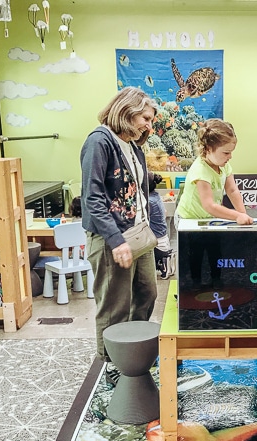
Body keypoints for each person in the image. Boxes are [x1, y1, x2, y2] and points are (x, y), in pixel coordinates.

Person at [80, 86, 157, 384]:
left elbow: (137, 192)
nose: (148, 126)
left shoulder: (132, 145)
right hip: (111, 238)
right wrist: (116, 240)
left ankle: (131, 352)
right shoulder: (100, 142)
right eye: (145, 118)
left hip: (138, 235)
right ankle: (110, 365)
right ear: (126, 110)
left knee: (147, 293)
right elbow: (93, 197)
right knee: (114, 305)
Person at [176, 118, 253, 289]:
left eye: (231, 152)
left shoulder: (224, 165)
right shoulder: (200, 171)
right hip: (190, 219)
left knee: (214, 250)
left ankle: (216, 281)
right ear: (208, 149)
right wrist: (236, 216)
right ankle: (191, 286)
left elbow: (232, 191)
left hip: (211, 219)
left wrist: (243, 214)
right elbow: (209, 205)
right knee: (194, 254)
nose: (230, 156)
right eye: (226, 153)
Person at [148, 172, 176, 279]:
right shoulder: (156, 195)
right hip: (163, 237)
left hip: (156, 242)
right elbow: (164, 213)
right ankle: (165, 258)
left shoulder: (148, 201)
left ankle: (162, 263)